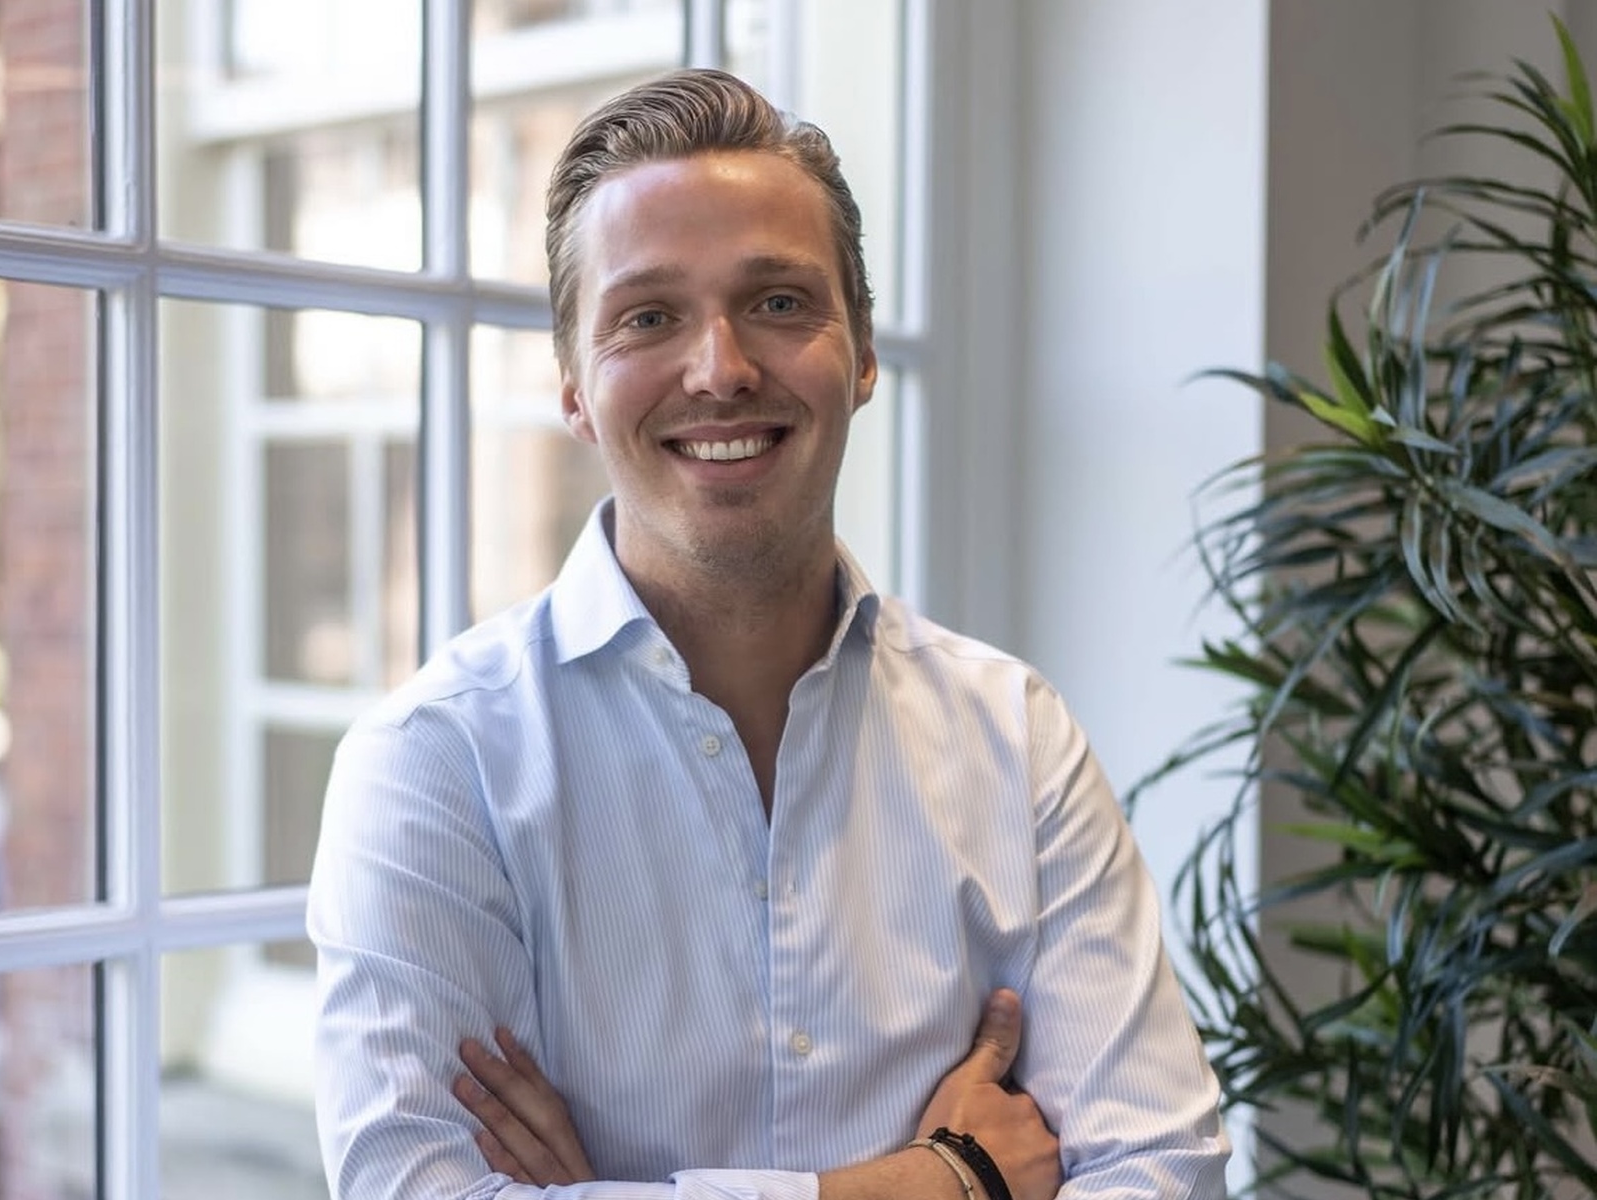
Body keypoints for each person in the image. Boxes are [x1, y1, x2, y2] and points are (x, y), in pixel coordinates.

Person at [307, 67, 1229, 1200]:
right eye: (649, 317)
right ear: (574, 388)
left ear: (864, 353)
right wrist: (945, 1182)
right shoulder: (434, 763)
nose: (722, 370)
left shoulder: (1016, 737)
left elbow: (1162, 1168)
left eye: (780, 303)